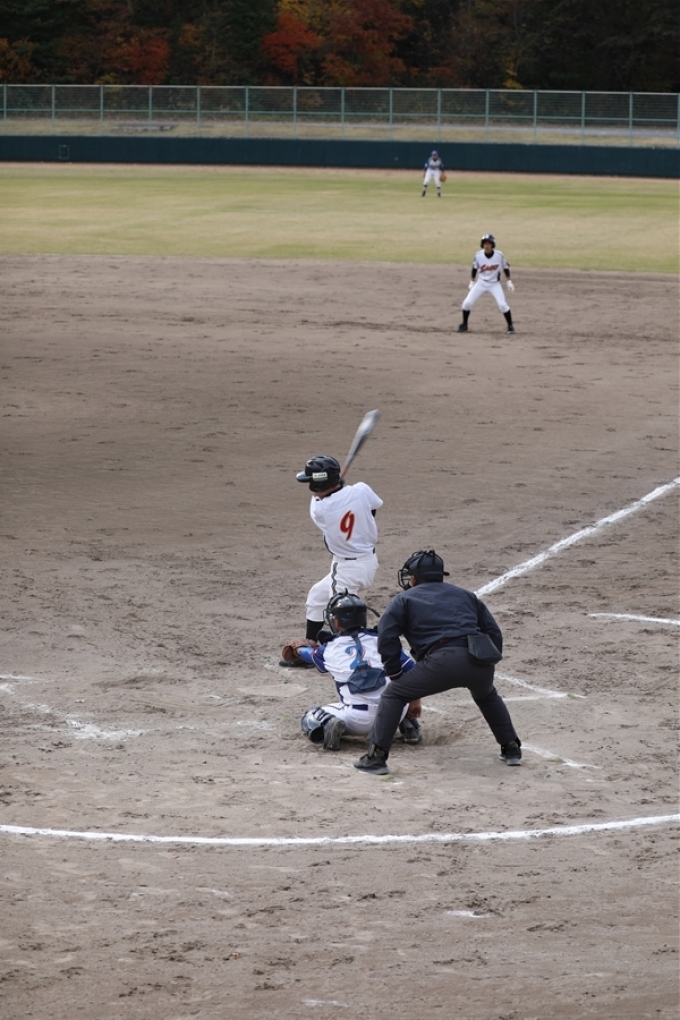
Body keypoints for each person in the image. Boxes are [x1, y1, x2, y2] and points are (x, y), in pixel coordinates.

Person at [353, 549, 522, 775]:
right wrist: (487, 663)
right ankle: (511, 748)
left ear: (414, 578)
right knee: (487, 695)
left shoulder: (403, 599)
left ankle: (376, 758)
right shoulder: (466, 595)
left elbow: (387, 639)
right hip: (479, 662)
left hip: (441, 663)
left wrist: (395, 674)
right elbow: (493, 632)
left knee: (394, 694)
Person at [281, 454, 382, 666]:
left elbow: (323, 497)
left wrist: (338, 487)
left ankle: (353, 660)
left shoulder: (320, 510)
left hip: (346, 569)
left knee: (343, 615)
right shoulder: (361, 490)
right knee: (317, 597)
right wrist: (343, 488)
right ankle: (310, 647)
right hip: (367, 561)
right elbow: (372, 507)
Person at [297, 592, 420, 750]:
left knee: (311, 715)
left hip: (358, 720)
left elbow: (309, 655)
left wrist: (298, 649)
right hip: (393, 715)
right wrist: (415, 701)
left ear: (337, 622)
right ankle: (409, 725)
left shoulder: (328, 649)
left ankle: (329, 723)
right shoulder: (382, 639)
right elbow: (413, 671)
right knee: (399, 692)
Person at [456, 234, 516, 335]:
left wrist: (509, 281)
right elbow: (474, 268)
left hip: (494, 284)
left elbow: (505, 267)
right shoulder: (478, 255)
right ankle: (464, 324)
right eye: (485, 243)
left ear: (492, 245)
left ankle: (510, 326)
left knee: (502, 305)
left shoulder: (499, 255)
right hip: (481, 283)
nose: (486, 246)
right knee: (467, 303)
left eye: (488, 243)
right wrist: (472, 281)